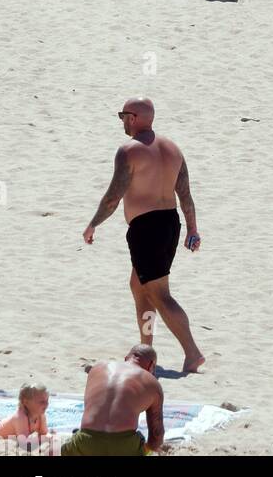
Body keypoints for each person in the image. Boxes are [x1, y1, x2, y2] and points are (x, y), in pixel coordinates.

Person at [83, 97, 204, 374]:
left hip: (147, 229)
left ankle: (193, 353)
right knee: (140, 288)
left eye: (123, 115)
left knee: (159, 294)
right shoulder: (173, 149)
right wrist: (192, 229)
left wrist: (93, 224)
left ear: (134, 117)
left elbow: (114, 196)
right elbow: (185, 194)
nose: (122, 121)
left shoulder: (129, 151)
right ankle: (145, 352)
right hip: (170, 223)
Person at [61, 347, 164, 457]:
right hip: (124, 447)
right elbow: (156, 435)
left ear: (126, 358)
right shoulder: (152, 383)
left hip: (86, 442)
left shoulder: (97, 368)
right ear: (151, 365)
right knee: (141, 441)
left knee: (67, 446)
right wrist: (147, 449)